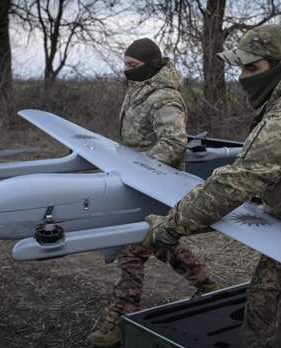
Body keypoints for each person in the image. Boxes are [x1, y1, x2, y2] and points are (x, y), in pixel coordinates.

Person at [142, 25, 281, 347]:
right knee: (261, 319)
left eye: (252, 68)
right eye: (242, 67)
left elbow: (237, 180)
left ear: (280, 65)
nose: (244, 77)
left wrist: (169, 227)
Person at [86, 38, 220, 348]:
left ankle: (120, 317)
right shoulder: (139, 90)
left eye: (133, 66)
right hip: (136, 182)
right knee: (160, 243)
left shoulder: (164, 98)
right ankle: (208, 285)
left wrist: (138, 168)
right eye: (126, 65)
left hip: (156, 184)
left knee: (132, 249)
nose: (127, 71)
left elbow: (173, 143)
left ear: (149, 64)